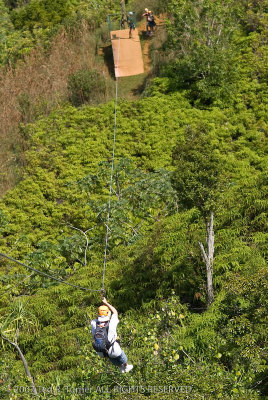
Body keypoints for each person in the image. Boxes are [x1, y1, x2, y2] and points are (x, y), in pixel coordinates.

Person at [91, 297, 133, 373]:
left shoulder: (94, 323)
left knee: (112, 357)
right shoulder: (111, 322)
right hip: (114, 349)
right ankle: (126, 366)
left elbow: (95, 326)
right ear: (108, 314)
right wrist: (106, 303)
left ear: (98, 314)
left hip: (102, 351)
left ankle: (120, 367)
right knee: (121, 355)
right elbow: (115, 312)